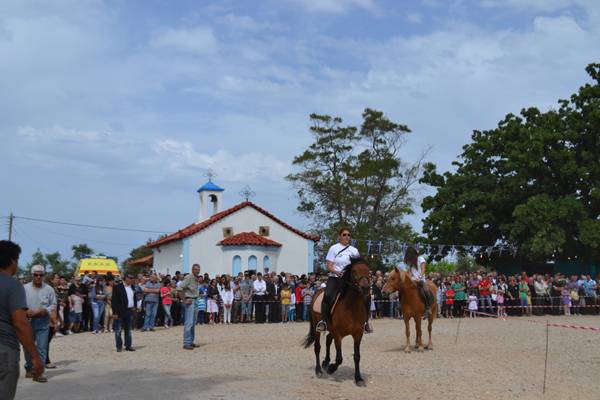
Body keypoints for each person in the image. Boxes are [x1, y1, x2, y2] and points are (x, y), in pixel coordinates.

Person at [0, 241, 44, 399]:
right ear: (12, 261)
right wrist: (35, 357)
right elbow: (20, 324)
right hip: (4, 349)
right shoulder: (13, 285)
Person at [316, 228, 372, 333]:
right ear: (340, 236)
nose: (347, 237)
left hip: (350, 280)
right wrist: (336, 271)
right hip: (335, 278)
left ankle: (365, 322)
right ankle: (324, 322)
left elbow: (358, 265)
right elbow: (328, 265)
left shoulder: (354, 250)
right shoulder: (334, 248)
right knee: (328, 295)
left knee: (367, 296)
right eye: (344, 234)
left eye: (349, 235)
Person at [23, 264, 57, 383]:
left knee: (42, 348)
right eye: (36, 275)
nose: (38, 277)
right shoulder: (24, 288)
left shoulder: (49, 289)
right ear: (32, 275)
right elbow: (18, 303)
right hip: (27, 322)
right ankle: (29, 368)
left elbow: (53, 304)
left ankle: (39, 372)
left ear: (43, 275)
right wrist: (26, 310)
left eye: (40, 275)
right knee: (28, 347)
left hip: (43, 321)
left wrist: (44, 310)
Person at [403, 246, 434, 319]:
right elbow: (410, 273)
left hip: (420, 280)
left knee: (426, 290)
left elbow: (423, 269)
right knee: (403, 289)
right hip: (413, 281)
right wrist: (409, 279)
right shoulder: (410, 263)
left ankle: (428, 308)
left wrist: (419, 277)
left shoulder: (421, 259)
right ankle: (403, 306)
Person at [111, 274, 136, 352]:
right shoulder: (117, 287)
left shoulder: (132, 287)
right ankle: (119, 346)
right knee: (118, 330)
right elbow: (114, 301)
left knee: (128, 330)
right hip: (119, 311)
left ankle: (128, 345)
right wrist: (114, 312)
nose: (132, 279)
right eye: (130, 278)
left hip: (129, 310)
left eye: (132, 278)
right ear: (125, 279)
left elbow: (133, 297)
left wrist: (135, 306)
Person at [179, 264, 200, 350]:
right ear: (192, 269)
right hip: (190, 301)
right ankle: (186, 342)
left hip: (195, 300)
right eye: (196, 269)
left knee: (193, 323)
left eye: (198, 269)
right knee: (189, 322)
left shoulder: (195, 279)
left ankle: (190, 341)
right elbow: (179, 288)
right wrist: (184, 300)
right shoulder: (189, 277)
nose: (197, 271)